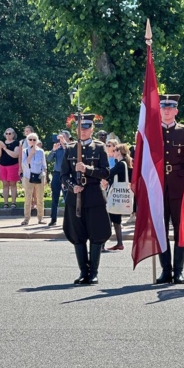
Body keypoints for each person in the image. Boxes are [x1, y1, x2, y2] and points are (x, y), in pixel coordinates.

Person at [60, 113, 111, 285]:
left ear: (92, 129)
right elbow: (64, 175)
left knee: (96, 234)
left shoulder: (100, 147)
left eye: (87, 127)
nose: (83, 131)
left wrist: (87, 169)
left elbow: (105, 172)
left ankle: (94, 272)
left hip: (94, 195)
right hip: (76, 198)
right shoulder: (70, 148)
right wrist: (71, 186)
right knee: (78, 235)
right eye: (81, 128)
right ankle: (83, 271)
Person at [156, 94, 184, 284]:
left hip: (180, 186)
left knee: (181, 229)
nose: (166, 111)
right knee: (160, 229)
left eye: (170, 108)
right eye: (164, 108)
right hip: (158, 186)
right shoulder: (152, 131)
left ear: (176, 111)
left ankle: (178, 270)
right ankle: (166, 270)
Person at [103, 143, 133, 251]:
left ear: (119, 152)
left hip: (116, 195)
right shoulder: (126, 163)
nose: (113, 152)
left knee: (108, 220)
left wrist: (104, 178)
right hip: (120, 195)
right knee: (116, 220)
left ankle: (101, 245)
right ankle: (119, 243)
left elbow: (109, 173)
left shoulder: (121, 164)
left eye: (115, 150)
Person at [21, 133, 47, 225]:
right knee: (28, 198)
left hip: (39, 176)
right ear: (28, 141)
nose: (32, 141)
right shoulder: (24, 151)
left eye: (34, 140)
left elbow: (44, 165)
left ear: (37, 141)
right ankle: (26, 219)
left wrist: (45, 177)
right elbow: (24, 163)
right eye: (30, 139)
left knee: (40, 198)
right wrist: (31, 153)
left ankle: (41, 218)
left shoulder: (41, 151)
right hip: (28, 176)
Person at [46, 129, 71, 226]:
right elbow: (48, 159)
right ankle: (53, 218)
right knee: (54, 197)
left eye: (63, 137)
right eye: (60, 137)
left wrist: (65, 145)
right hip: (57, 174)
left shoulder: (70, 148)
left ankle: (68, 220)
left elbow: (70, 155)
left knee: (67, 197)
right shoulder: (58, 148)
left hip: (66, 174)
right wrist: (53, 150)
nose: (61, 139)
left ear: (67, 138)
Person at [0, 128, 20, 208]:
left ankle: (13, 202)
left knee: (13, 184)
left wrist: (5, 148)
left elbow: (15, 155)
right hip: (3, 166)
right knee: (5, 184)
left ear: (13, 134)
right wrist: (0, 148)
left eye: (10, 133)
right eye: (7, 133)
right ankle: (5, 203)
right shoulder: (2, 143)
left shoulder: (16, 143)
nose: (8, 135)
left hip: (13, 165)